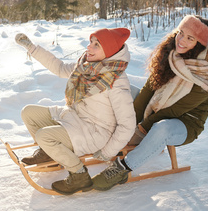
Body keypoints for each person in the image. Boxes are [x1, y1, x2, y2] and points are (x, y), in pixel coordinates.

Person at [91, 15, 208, 191]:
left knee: (162, 128)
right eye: (181, 33)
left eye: (190, 38)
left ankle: (122, 169)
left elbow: (173, 111)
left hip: (184, 123)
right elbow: (148, 91)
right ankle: (96, 126)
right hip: (158, 107)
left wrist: (139, 131)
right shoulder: (171, 55)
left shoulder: (207, 76)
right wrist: (126, 125)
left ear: (201, 44)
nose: (181, 40)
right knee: (121, 89)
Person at [15, 28, 136, 195]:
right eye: (91, 42)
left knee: (44, 135)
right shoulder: (85, 67)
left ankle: (79, 175)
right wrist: (32, 48)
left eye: (96, 45)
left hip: (95, 132)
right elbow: (59, 67)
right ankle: (50, 152)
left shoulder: (116, 81)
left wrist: (108, 152)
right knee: (28, 113)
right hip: (75, 117)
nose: (89, 47)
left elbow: (127, 125)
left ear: (108, 51)